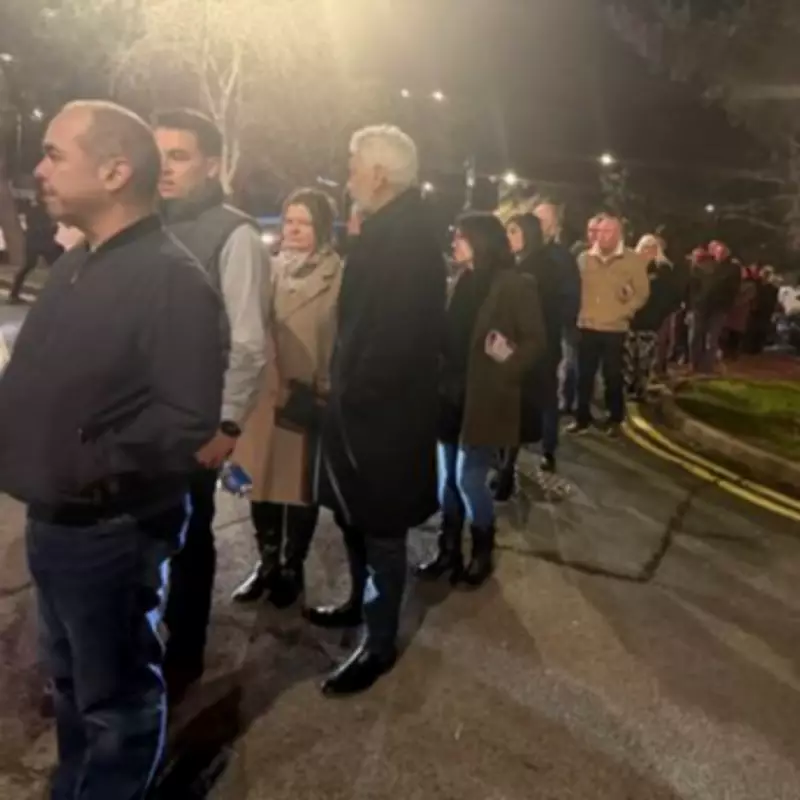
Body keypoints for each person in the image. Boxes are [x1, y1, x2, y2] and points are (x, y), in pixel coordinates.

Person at [0, 100, 227, 800]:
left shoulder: (172, 280)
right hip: (56, 522)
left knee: (118, 704)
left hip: (109, 532)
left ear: (116, 170)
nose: (39, 170)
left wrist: (81, 464)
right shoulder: (78, 263)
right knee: (70, 688)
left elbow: (186, 418)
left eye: (54, 154)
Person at [308, 125, 446, 696]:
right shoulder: (388, 230)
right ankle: (359, 606)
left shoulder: (407, 240)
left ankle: (379, 639)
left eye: (354, 165)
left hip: (383, 419)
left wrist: (356, 393)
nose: (347, 177)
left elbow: (399, 339)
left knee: (383, 529)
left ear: (381, 176)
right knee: (355, 518)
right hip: (362, 412)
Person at [153, 108, 269, 699]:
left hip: (195, 422)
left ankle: (186, 650)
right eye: (159, 154)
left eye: (180, 156)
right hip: (138, 418)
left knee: (191, 537)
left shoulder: (236, 234)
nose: (165, 167)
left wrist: (227, 425)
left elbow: (249, 342)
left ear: (212, 164)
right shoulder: (146, 221)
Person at [417, 213, 545, 582]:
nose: (454, 243)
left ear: (481, 241)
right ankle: (448, 551)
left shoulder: (515, 285)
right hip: (449, 396)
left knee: (468, 480)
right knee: (446, 482)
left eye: (460, 237)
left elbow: (536, 341)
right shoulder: (462, 279)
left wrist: (507, 362)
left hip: (484, 397)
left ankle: (483, 550)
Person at [231, 188, 343, 608]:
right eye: (289, 220)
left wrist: (326, 387)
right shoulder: (266, 269)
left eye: (304, 222)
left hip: (305, 396)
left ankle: (292, 567)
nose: (293, 229)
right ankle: (266, 562)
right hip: (263, 393)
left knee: (298, 487)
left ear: (322, 228)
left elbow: (341, 338)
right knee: (257, 483)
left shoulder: (338, 275)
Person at [501, 212, 575, 482]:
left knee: (537, 401)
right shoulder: (514, 263)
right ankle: (507, 461)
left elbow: (552, 308)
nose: (508, 238)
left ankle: (539, 452)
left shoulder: (543, 267)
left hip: (536, 347)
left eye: (513, 231)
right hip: (520, 345)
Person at [568, 214, 650, 436]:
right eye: (600, 232)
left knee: (612, 376)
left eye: (609, 232)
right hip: (586, 325)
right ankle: (581, 417)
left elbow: (642, 292)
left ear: (619, 234)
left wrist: (625, 311)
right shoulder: (584, 258)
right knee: (583, 375)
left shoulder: (631, 260)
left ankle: (615, 418)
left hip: (614, 329)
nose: (603, 237)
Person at [624, 234, 684, 398]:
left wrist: (658, 315)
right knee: (627, 358)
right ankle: (627, 390)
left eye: (651, 247)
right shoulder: (630, 266)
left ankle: (640, 390)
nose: (647, 251)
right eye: (644, 247)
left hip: (649, 322)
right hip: (629, 319)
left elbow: (669, 296)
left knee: (644, 360)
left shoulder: (663, 270)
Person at [689, 239, 740, 374]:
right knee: (695, 336)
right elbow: (693, 286)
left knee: (711, 339)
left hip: (718, 307)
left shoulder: (732, 268)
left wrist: (726, 304)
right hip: (701, 306)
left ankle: (707, 367)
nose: (719, 254)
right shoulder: (702, 266)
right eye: (716, 251)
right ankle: (695, 365)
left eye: (722, 251)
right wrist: (695, 301)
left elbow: (733, 289)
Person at [8, 198, 62, 303]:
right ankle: (55, 293)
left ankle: (14, 294)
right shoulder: (44, 211)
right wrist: (51, 231)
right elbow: (49, 227)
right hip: (41, 242)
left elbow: (48, 227)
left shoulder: (36, 211)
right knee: (57, 266)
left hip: (35, 242)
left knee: (29, 266)